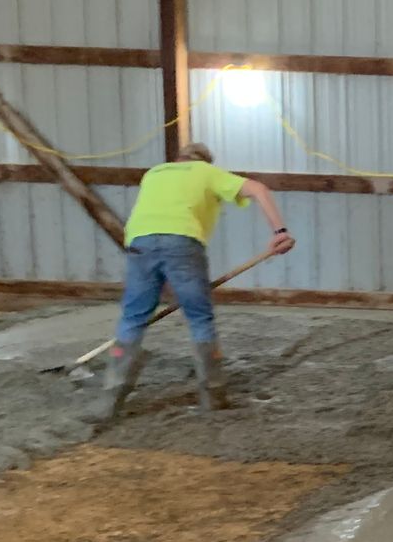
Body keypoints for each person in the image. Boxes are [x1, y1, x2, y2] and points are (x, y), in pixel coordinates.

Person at [102, 144, 296, 420]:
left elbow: (159, 225)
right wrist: (280, 231)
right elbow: (259, 190)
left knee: (133, 318)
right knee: (199, 318)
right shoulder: (206, 172)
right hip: (182, 243)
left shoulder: (155, 173)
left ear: (178, 158)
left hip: (139, 244)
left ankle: (110, 399)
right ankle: (213, 395)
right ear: (205, 161)